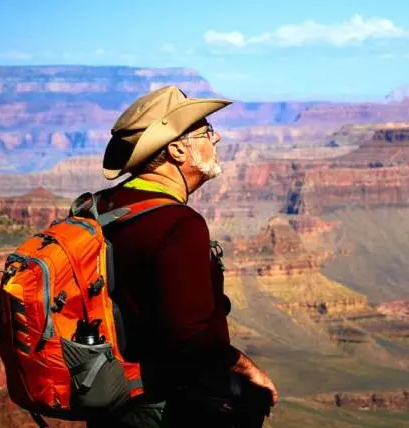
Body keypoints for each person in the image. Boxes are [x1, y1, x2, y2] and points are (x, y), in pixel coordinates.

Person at [87, 85, 278, 427]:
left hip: (112, 404)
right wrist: (247, 370)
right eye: (206, 131)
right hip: (163, 410)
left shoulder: (103, 206)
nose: (216, 138)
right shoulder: (179, 224)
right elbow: (191, 338)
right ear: (177, 150)